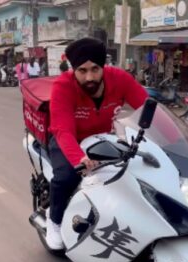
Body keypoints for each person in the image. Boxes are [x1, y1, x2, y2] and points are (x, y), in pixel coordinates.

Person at [45, 38, 148, 250]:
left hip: (103, 138)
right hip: (70, 141)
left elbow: (149, 110)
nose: (89, 77)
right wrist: (79, 158)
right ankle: (54, 220)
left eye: (94, 69)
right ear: (73, 70)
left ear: (103, 66)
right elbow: (63, 130)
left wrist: (176, 140)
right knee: (66, 176)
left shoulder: (120, 79)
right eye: (82, 71)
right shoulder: (63, 86)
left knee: (134, 171)